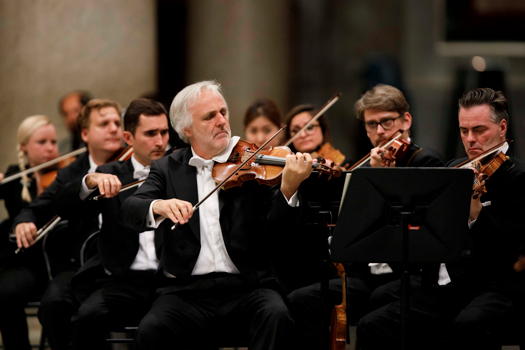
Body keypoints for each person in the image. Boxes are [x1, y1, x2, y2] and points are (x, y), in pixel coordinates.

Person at [121, 80, 313, 350]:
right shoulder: (167, 168)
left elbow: (279, 233)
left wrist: (289, 188)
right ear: (186, 128)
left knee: (276, 315)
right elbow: (131, 208)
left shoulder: (252, 162)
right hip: (185, 292)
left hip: (247, 286)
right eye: (210, 116)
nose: (222, 121)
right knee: (152, 329)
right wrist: (159, 206)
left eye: (223, 112)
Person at [357, 87, 525, 350]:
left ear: (502, 128)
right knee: (372, 324)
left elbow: (506, 253)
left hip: (491, 286)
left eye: (479, 130)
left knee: (467, 325)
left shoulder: (516, 177)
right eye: (464, 130)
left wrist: (475, 211)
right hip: (442, 283)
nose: (470, 139)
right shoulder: (452, 170)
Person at [286, 84, 444, 350]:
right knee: (300, 299)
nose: (380, 132)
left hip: (408, 275)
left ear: (406, 120)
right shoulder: (364, 167)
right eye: (372, 125)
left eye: (387, 122)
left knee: (373, 320)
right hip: (368, 277)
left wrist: (383, 179)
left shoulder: (425, 162)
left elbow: (418, 233)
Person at [51, 98, 170, 350]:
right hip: (123, 279)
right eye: (150, 133)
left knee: (162, 327)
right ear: (128, 138)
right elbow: (62, 205)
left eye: (164, 132)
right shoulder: (111, 172)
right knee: (87, 317)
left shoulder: (178, 170)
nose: (160, 141)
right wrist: (89, 181)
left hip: (168, 279)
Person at [13, 98, 124, 350]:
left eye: (118, 123)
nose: (114, 128)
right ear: (85, 134)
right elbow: (37, 207)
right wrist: (24, 222)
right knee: (52, 305)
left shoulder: (132, 165)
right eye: (104, 123)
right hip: (81, 265)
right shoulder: (71, 172)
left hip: (121, 264)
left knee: (92, 314)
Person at [0, 115, 59, 350]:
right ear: (24, 146)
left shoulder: (64, 175)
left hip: (49, 261)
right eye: (41, 142)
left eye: (53, 142)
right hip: (18, 258)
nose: (50, 149)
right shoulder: (14, 174)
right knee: (4, 293)